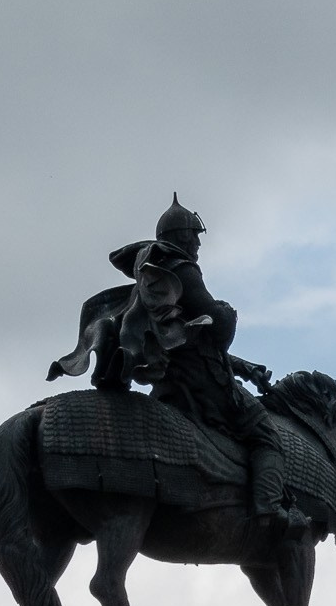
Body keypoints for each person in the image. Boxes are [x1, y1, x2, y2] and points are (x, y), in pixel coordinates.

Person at [53, 196, 307, 535]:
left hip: (170, 384)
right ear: (182, 236)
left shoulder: (151, 275)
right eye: (195, 236)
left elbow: (188, 340)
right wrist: (227, 314)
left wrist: (245, 368)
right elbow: (215, 328)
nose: (198, 244)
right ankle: (269, 510)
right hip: (203, 384)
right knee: (266, 434)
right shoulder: (182, 268)